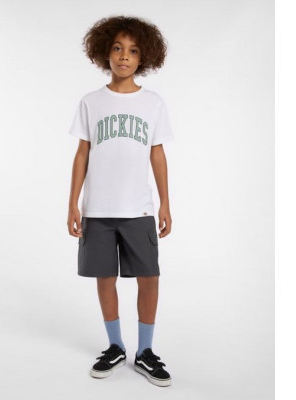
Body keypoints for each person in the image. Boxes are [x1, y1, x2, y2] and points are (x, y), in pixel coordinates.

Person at [67, 15, 174, 387]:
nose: (124, 56)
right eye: (117, 48)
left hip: (139, 209)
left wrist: (165, 202)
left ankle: (145, 351)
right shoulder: (91, 102)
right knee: (105, 277)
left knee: (150, 277)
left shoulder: (153, 103)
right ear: (105, 53)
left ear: (144, 58)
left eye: (133, 50)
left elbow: (157, 154)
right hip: (97, 209)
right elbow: (82, 154)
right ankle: (115, 346)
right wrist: (72, 203)